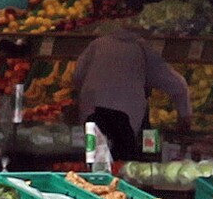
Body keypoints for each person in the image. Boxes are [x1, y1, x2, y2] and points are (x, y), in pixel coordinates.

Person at [70, 19, 192, 162]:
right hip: (125, 117)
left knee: (93, 157)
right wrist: (185, 117)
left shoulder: (97, 44)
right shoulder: (142, 49)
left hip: (92, 111)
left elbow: (77, 75)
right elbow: (177, 85)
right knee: (122, 161)